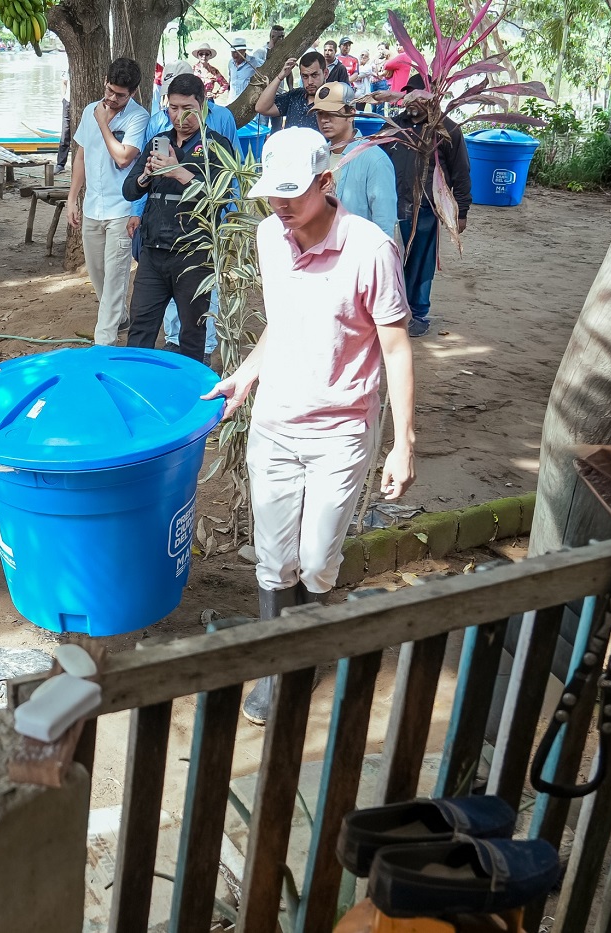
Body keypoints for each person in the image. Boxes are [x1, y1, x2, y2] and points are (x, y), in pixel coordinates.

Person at [201, 127, 416, 726]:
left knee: (318, 558)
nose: (281, 204)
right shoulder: (270, 235)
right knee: (273, 557)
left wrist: (403, 443)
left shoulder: (370, 250)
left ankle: (306, 638)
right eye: (273, 192)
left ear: (326, 182)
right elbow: (284, 320)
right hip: (275, 422)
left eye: (293, 192)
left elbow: (396, 348)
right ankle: (282, 669)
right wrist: (247, 373)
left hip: (340, 431)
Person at [122, 72, 235, 359]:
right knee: (140, 328)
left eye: (187, 108)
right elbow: (129, 190)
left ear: (203, 106)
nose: (179, 116)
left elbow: (220, 197)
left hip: (194, 254)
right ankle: (135, 380)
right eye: (173, 108)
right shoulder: (158, 141)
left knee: (193, 334)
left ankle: (192, 385)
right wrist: (147, 175)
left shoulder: (216, 146)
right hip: (153, 252)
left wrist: (177, 172)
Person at [66, 57, 149, 346]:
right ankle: (119, 318)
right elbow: (82, 156)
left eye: (120, 95)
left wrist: (103, 123)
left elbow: (124, 157)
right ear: (105, 82)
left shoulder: (138, 117)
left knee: (115, 278)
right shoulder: (90, 109)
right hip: (92, 206)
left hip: (122, 208)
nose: (112, 99)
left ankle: (103, 343)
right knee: (98, 275)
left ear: (133, 93)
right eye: (110, 91)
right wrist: (72, 197)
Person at [387, 74, 471, 337]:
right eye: (409, 94)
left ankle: (418, 313)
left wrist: (461, 211)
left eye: (419, 95)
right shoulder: (394, 126)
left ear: (433, 97)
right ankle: (392, 311)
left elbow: (461, 173)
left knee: (421, 263)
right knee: (391, 261)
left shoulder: (448, 130)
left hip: (425, 209)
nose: (412, 99)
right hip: (393, 207)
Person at [312, 82, 397, 238]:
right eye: (320, 113)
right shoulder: (318, 156)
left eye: (331, 113)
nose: (324, 120)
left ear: (351, 114)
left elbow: (385, 226)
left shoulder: (375, 160)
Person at [254, 50, 329, 131]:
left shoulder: (333, 99)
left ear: (325, 73)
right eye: (305, 76)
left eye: (314, 75)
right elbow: (261, 108)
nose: (310, 82)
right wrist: (280, 77)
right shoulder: (295, 96)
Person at [57, 71, 73, 173]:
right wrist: (63, 98)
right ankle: (60, 164)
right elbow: (63, 82)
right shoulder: (66, 66)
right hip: (68, 101)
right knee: (65, 133)